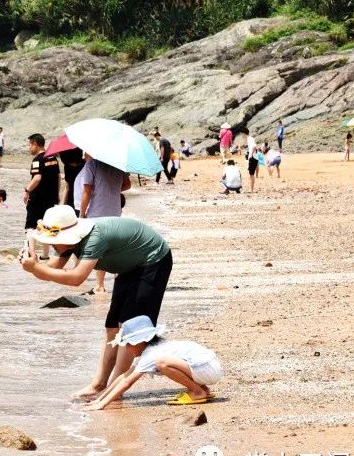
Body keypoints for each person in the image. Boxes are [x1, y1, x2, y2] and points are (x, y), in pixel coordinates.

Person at [20, 205, 172, 400]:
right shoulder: (69, 243)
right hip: (129, 266)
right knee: (112, 326)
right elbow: (50, 270)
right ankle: (98, 384)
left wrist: (36, 268)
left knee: (130, 328)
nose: (51, 245)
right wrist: (31, 266)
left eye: (53, 241)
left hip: (153, 260)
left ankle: (115, 389)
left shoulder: (93, 239)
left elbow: (76, 278)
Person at [85, 316, 222, 410]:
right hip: (209, 367)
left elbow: (128, 382)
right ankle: (203, 390)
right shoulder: (152, 349)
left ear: (138, 342)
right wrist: (100, 398)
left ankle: (197, 392)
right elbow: (124, 376)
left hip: (207, 369)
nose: (126, 348)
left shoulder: (152, 354)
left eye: (127, 343)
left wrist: (102, 405)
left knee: (162, 363)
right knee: (164, 362)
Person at [74, 153, 131, 293]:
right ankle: (120, 281)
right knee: (114, 247)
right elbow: (127, 184)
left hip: (97, 213)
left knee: (99, 249)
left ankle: (100, 285)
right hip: (115, 210)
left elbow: (86, 191)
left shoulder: (92, 164)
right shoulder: (118, 162)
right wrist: (112, 188)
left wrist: (81, 215)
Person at [23, 134, 59, 259]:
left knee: (30, 226)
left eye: (29, 145)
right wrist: (57, 195)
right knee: (48, 226)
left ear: (35, 144)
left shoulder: (38, 160)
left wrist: (27, 190)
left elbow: (37, 178)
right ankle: (45, 255)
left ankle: (31, 254)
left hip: (37, 199)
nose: (29, 148)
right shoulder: (53, 157)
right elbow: (58, 177)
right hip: (51, 199)